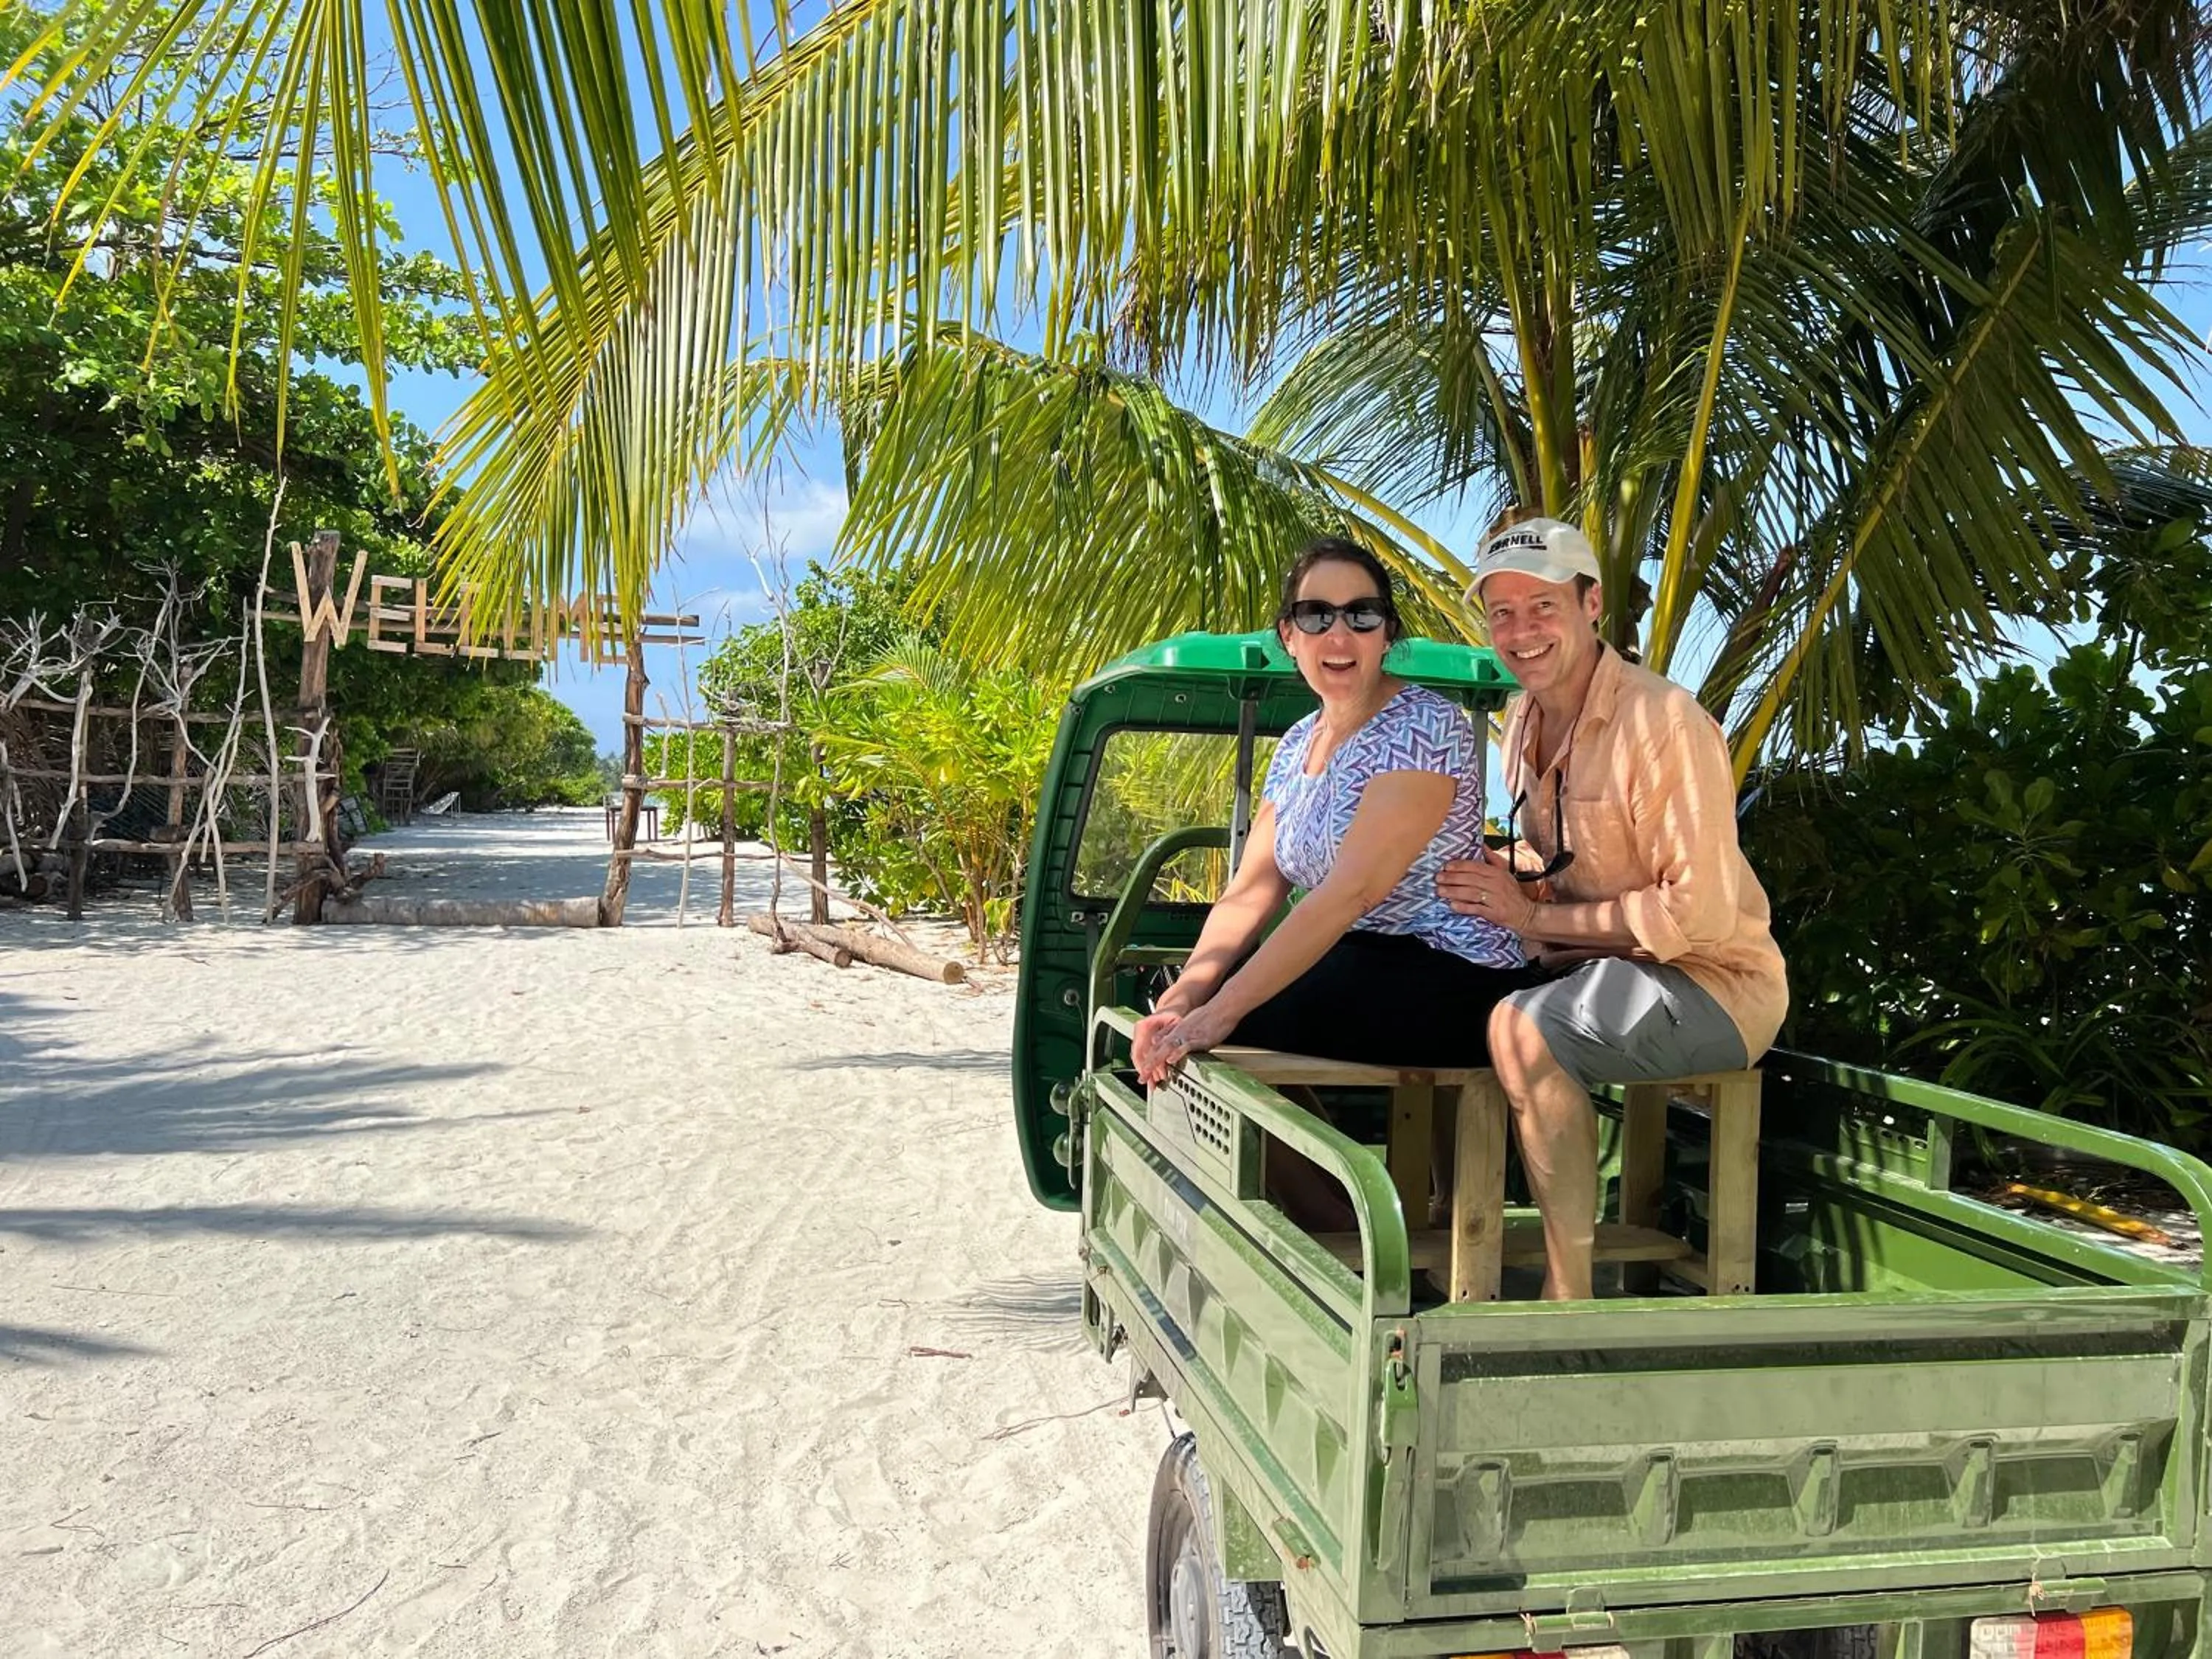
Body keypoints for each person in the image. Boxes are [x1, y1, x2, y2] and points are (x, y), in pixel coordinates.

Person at [1437, 514, 1789, 1301]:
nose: (1521, 632)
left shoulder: (1664, 722)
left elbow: (1696, 913)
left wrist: (1530, 919)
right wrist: (1491, 875)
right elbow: (1563, 863)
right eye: (1502, 613)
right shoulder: (1521, 721)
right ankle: (1439, 1237)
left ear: (1592, 604)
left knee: (1522, 1028)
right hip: (1596, 967)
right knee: (1434, 990)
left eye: (1543, 607)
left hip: (1715, 985)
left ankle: (1569, 1298)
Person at [1132, 538, 1531, 1088]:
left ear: (1387, 634)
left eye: (1362, 615)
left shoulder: (1424, 726)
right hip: (1361, 959)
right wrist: (1184, 996)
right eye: (1316, 615)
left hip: (1452, 966)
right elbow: (1251, 891)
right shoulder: (1297, 743)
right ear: (1289, 636)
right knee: (1182, 1011)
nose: (1339, 635)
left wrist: (1219, 1012)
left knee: (1235, 1024)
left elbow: (1353, 892)